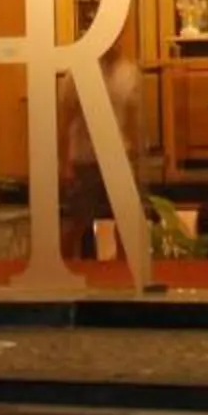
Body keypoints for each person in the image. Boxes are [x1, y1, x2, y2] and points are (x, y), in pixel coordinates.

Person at [60, 39, 143, 262]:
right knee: (78, 221)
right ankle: (63, 268)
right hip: (85, 157)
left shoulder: (129, 73)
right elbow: (65, 120)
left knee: (125, 220)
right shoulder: (78, 73)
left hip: (118, 156)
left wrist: (135, 155)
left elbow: (132, 118)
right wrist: (65, 163)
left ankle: (124, 274)